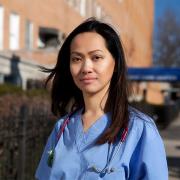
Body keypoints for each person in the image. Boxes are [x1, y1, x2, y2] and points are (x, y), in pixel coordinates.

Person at [35, 18, 168, 180]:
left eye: (96, 57)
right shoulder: (62, 129)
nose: (86, 68)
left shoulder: (140, 130)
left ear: (116, 64)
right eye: (77, 59)